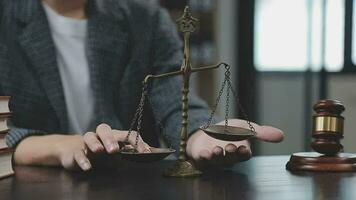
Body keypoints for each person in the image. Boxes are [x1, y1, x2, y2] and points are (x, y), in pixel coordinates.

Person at [0, 0, 283, 171]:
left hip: (127, 186)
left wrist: (197, 134)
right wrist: (53, 146)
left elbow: (174, 101)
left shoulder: (144, 19)